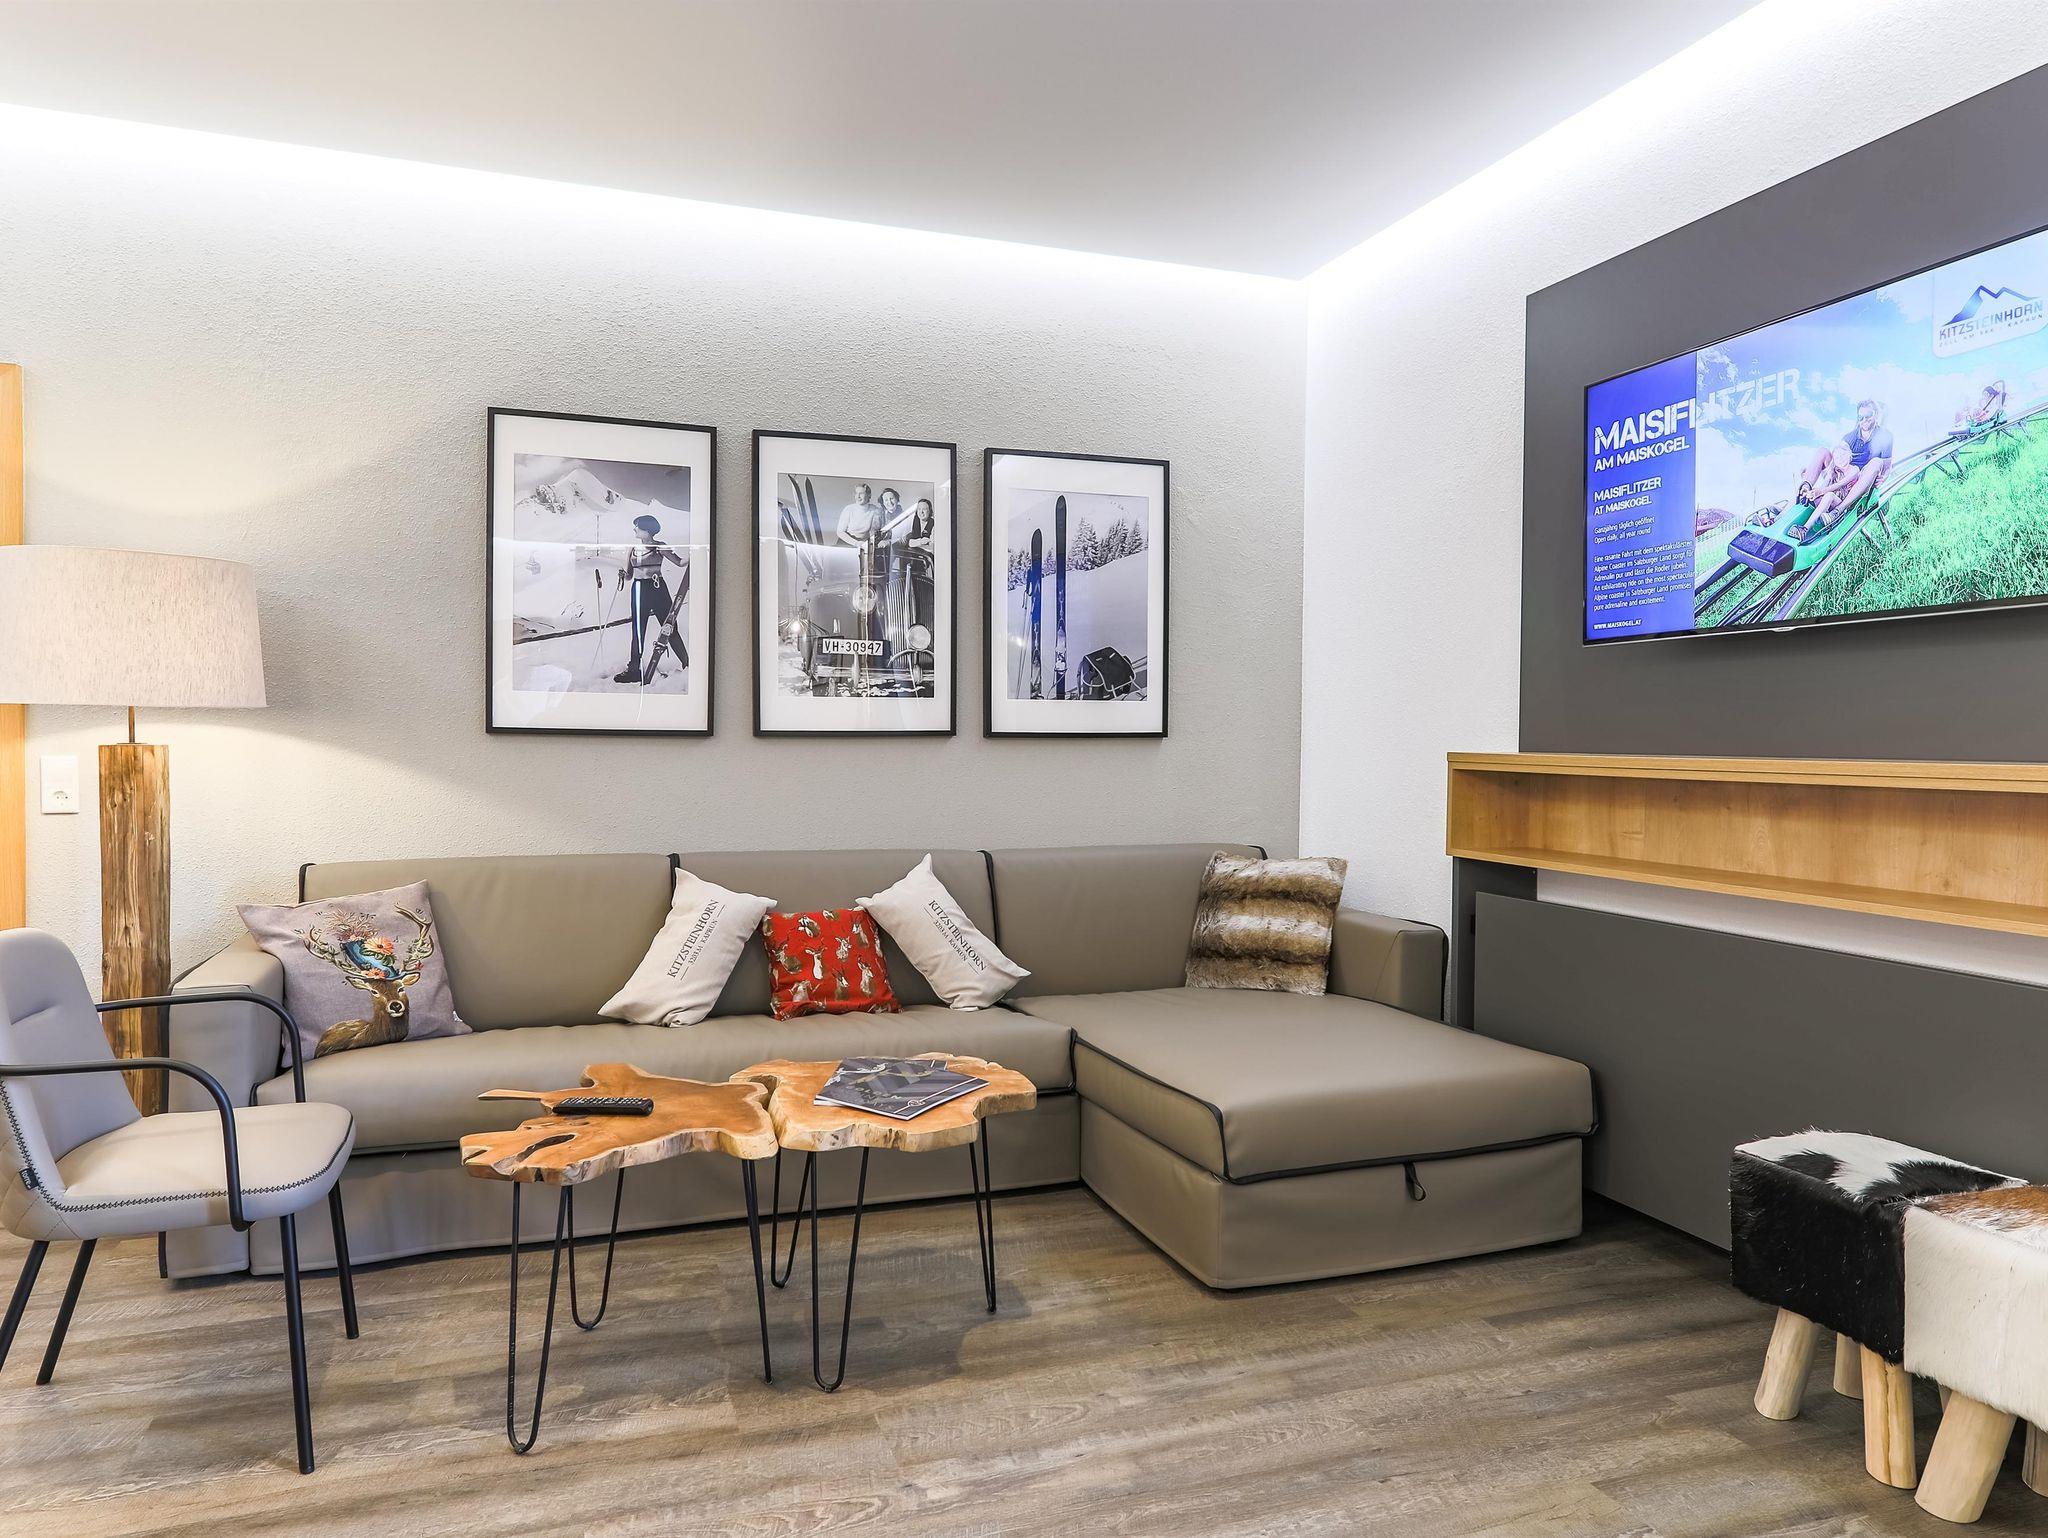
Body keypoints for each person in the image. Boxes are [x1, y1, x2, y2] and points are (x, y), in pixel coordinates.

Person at [1788, 399, 1893, 539]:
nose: (1864, 420)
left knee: (1876, 462)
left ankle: (1839, 510)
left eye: (1868, 416)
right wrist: (1820, 477)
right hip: (1843, 475)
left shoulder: (1885, 437)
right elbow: (1838, 456)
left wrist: (1885, 476)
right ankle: (1804, 490)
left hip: (1861, 479)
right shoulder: (1850, 437)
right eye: (1860, 417)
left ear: (1875, 415)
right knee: (1823, 451)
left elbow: (1886, 465)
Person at [612, 514, 687, 684]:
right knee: (638, 630)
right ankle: (634, 670)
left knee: (669, 627)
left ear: (647, 529)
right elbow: (629, 575)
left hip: (657, 587)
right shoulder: (632, 549)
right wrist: (623, 575)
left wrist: (698, 552)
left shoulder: (660, 547)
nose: (634, 529)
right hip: (638, 588)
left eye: (637, 526)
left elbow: (680, 562)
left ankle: (687, 664)